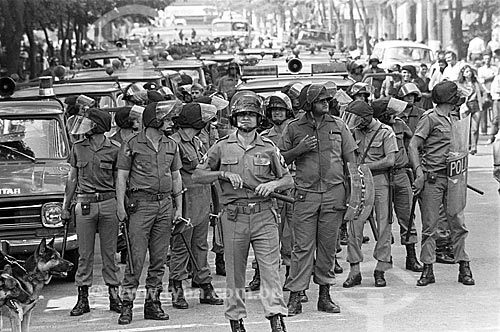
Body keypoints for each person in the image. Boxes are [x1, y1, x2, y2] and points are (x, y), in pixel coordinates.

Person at [192, 91, 292, 332]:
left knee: (270, 269)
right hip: (234, 216)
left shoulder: (268, 147)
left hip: (264, 214)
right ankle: (236, 321)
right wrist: (222, 174)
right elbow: (197, 175)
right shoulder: (221, 147)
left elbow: (288, 179)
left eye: (251, 115)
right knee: (235, 272)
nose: (246, 119)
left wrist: (273, 184)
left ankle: (276, 318)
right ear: (234, 118)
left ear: (259, 119)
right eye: (241, 115)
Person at [280, 84, 357, 315]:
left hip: (334, 195)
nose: (326, 103)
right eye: (320, 100)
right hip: (305, 195)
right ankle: (296, 296)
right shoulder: (294, 128)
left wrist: (355, 196)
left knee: (327, 248)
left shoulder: (338, 125)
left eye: (327, 99)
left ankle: (325, 295)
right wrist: (299, 150)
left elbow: (351, 162)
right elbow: (280, 159)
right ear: (308, 104)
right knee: (301, 248)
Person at [116, 101, 184, 325]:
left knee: (158, 259)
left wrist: (179, 208)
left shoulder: (171, 144)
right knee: (135, 259)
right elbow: (122, 177)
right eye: (167, 119)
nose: (171, 123)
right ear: (155, 120)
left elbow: (176, 177)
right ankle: (126, 305)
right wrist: (119, 206)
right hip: (140, 205)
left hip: (164, 204)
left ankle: (152, 304)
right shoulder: (132, 144)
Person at [408, 81, 475, 287]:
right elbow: (413, 145)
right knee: (430, 225)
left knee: (457, 222)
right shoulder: (430, 118)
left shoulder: (454, 118)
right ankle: (428, 269)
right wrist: (418, 172)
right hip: (433, 179)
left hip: (454, 178)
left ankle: (463, 265)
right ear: (450, 99)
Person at [62, 108, 122, 317]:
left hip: (108, 202)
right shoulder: (78, 147)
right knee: (84, 254)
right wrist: (65, 206)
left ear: (97, 126)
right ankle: (82, 298)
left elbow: (119, 180)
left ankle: (114, 296)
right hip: (85, 203)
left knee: (110, 254)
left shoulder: (115, 148)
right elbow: (72, 178)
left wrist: (122, 206)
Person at [169, 102, 223, 309]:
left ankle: (204, 285)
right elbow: (174, 176)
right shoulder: (174, 143)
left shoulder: (198, 141)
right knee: (181, 247)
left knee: (201, 246)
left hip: (202, 201)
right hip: (186, 202)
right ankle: (176, 288)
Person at [342, 100, 397, 288]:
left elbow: (390, 160)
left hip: (380, 180)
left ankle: (381, 268)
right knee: (354, 225)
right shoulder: (352, 132)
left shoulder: (385, 132)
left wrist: (364, 167)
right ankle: (354, 270)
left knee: (384, 225)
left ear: (366, 118)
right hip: (358, 182)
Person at [372, 97, 423, 272]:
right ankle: (385, 258)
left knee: (407, 217)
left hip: (401, 175)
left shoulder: (400, 124)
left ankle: (411, 256)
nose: (397, 115)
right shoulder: (373, 129)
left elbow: (412, 145)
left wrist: (417, 169)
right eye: (392, 112)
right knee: (383, 219)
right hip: (381, 176)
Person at [456, 64, 484, 155]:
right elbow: (459, 96)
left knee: (475, 128)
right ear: (463, 74)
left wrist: (481, 103)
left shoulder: (475, 83)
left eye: (470, 71)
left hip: (475, 105)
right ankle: (466, 146)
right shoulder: (460, 84)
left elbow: (483, 92)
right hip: (465, 106)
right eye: (467, 71)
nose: (469, 73)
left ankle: (474, 147)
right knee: (466, 127)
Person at [478, 52, 499, 144]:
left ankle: (494, 133)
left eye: (488, 59)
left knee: (495, 115)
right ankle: (484, 131)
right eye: (485, 59)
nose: (487, 60)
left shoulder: (495, 68)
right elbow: (481, 81)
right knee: (483, 111)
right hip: (486, 91)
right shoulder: (481, 69)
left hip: (494, 93)